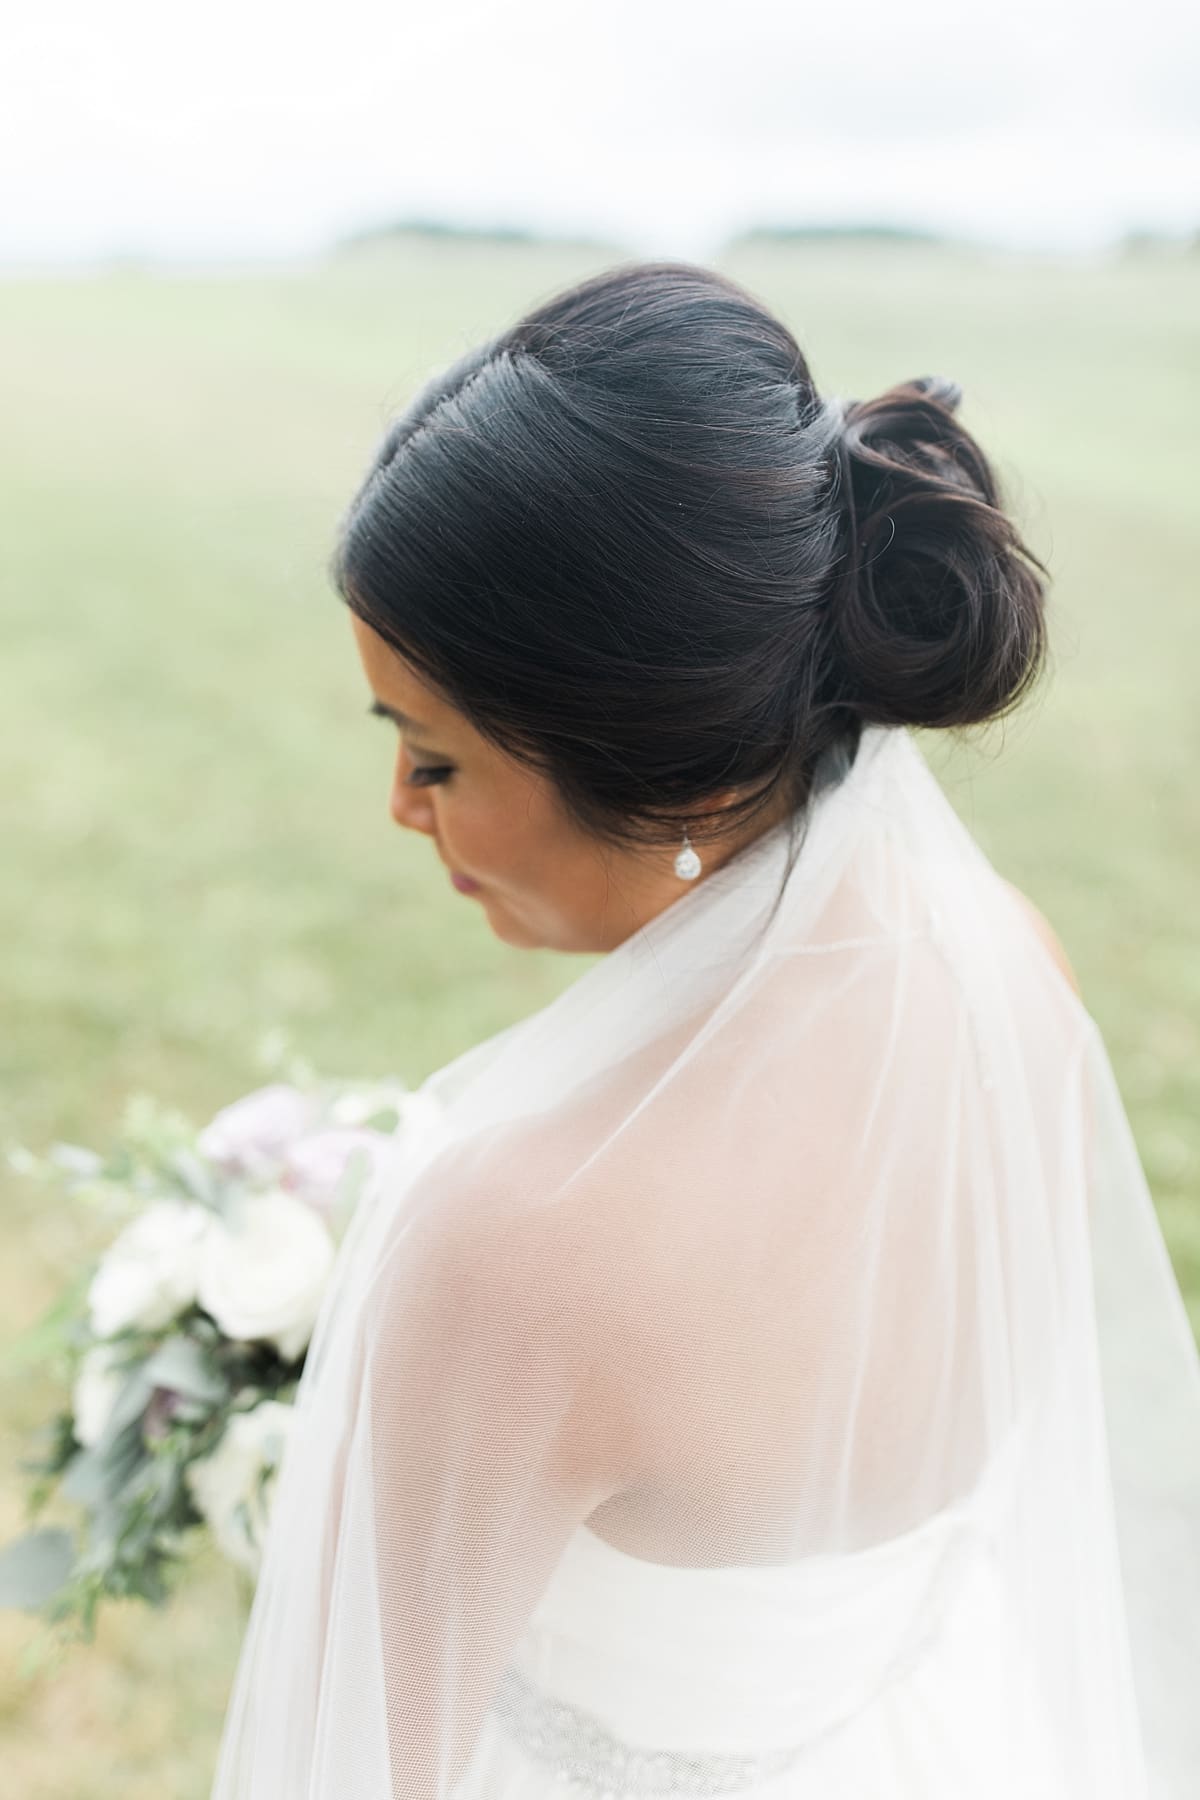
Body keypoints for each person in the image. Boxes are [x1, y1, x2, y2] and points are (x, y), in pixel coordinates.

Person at [209, 262, 1200, 1799]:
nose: (400, 808)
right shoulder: (1015, 972)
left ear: (653, 766)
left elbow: (365, 1764)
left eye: (434, 755)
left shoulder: (515, 1242)